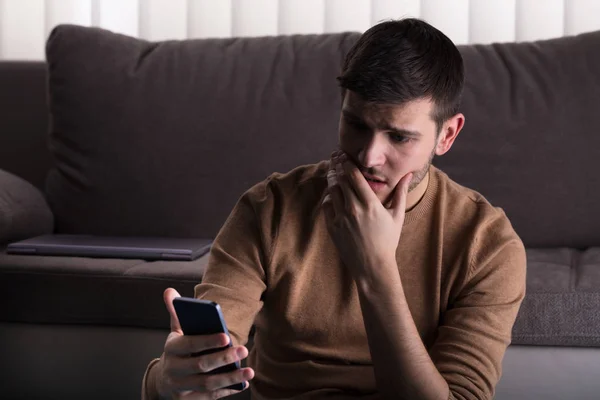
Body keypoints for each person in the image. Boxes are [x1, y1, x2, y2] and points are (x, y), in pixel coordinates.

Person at [142, 18, 526, 400]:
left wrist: (375, 269)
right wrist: (165, 383)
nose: (369, 156)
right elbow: (204, 362)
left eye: (398, 136)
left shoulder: (488, 244)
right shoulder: (269, 208)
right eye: (356, 124)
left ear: (447, 134)